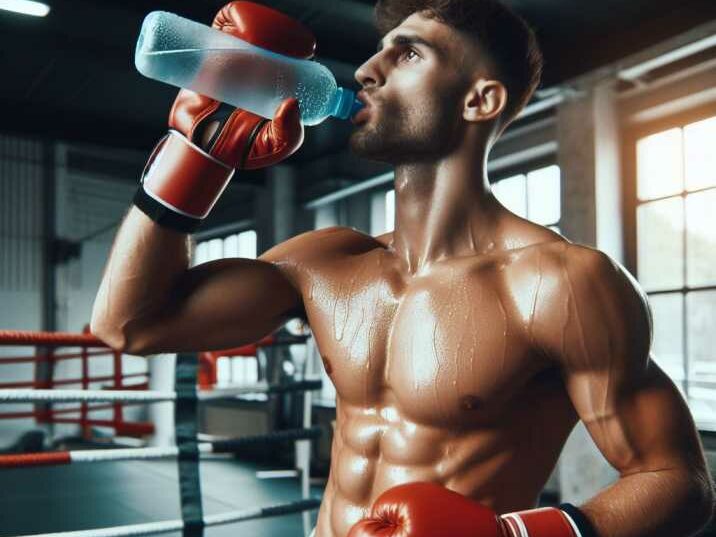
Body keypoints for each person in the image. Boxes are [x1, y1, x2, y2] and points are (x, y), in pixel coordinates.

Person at [92, 1, 715, 536]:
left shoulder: (558, 283)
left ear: (479, 99)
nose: (366, 72)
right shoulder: (327, 263)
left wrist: (509, 535)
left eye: (408, 55)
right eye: (378, 53)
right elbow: (133, 324)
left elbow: (679, 483)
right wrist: (196, 154)